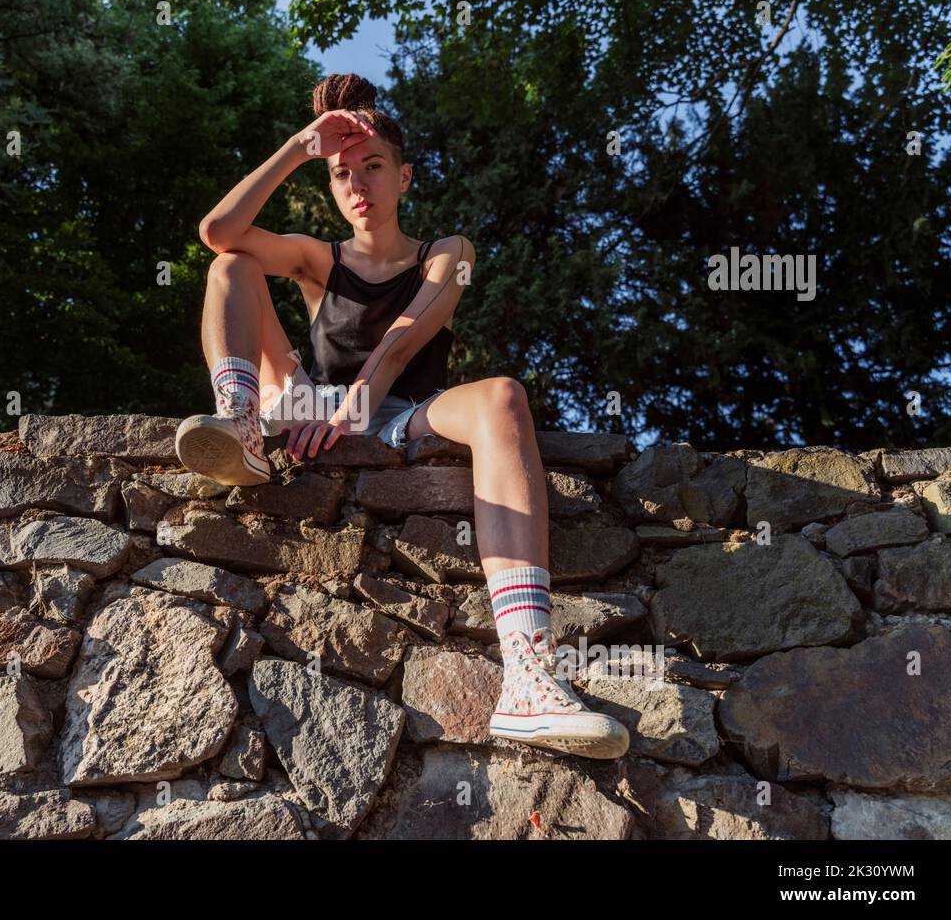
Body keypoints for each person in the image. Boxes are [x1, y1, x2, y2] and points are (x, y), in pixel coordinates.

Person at [176, 73, 629, 760]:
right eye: (341, 173)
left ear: (405, 176)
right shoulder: (315, 258)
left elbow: (403, 340)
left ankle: (530, 679)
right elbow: (218, 231)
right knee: (230, 266)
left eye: (374, 167)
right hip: (305, 402)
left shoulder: (447, 253)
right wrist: (299, 148)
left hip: (400, 411)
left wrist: (357, 403)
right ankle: (238, 422)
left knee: (504, 395)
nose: (358, 184)